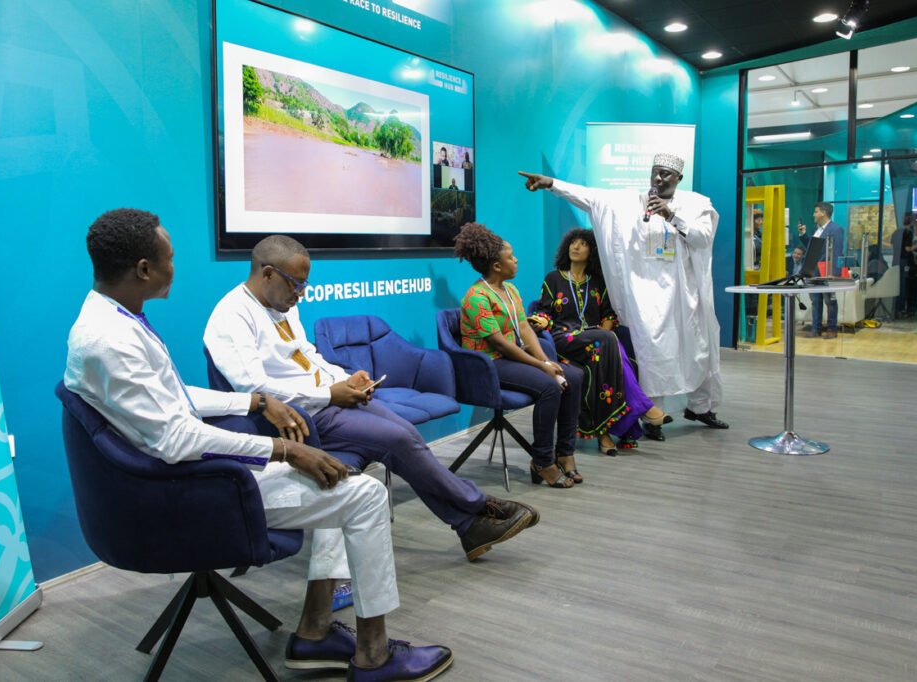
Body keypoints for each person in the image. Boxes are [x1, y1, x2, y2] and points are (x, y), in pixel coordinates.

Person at [65, 209, 452, 682]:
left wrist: (254, 400)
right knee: (363, 494)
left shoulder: (114, 320)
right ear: (144, 269)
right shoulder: (110, 340)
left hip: (180, 477)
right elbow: (176, 436)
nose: (175, 267)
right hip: (177, 493)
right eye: (170, 258)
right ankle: (372, 654)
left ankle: (316, 631)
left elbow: (174, 398)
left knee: (337, 477)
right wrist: (287, 451)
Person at [205, 235, 537, 562]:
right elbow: (254, 388)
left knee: (405, 432)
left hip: (326, 400)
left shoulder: (282, 303)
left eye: (304, 285)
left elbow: (307, 355)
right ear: (267, 274)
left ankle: (469, 524)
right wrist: (328, 393)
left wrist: (343, 379)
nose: (300, 293)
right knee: (396, 439)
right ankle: (477, 508)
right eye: (295, 284)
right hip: (298, 417)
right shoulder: (232, 316)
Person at [518, 152, 728, 430]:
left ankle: (701, 407)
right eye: (655, 171)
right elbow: (588, 196)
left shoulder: (695, 204)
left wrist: (671, 215)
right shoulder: (629, 202)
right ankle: (653, 418)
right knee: (652, 354)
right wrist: (551, 184)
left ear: (679, 177)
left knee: (700, 348)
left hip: (684, 295)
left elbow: (702, 239)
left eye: (665, 173)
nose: (658, 178)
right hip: (645, 299)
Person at [453, 222, 585, 487]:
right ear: (497, 267)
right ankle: (543, 461)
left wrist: (547, 360)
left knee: (575, 376)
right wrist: (541, 365)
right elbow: (500, 344)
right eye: (511, 257)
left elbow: (524, 328)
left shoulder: (510, 290)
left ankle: (566, 452)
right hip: (489, 364)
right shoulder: (475, 297)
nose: (517, 260)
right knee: (550, 387)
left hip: (512, 357)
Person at [532, 227, 670, 451]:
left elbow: (608, 316)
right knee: (608, 342)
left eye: (583, 244)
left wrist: (605, 334)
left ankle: (603, 434)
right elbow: (545, 311)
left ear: (593, 251)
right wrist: (541, 321)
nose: (576, 247)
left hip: (595, 342)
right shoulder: (554, 278)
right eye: (573, 243)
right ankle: (640, 408)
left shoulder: (597, 282)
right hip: (564, 338)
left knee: (607, 357)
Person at [805, 201, 846, 339]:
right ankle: (816, 328)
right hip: (813, 269)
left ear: (823, 212)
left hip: (826, 270)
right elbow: (811, 248)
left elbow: (837, 251)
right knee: (815, 300)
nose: (813, 214)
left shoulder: (836, 229)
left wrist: (835, 272)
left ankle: (832, 328)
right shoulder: (815, 229)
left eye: (816, 212)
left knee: (830, 300)